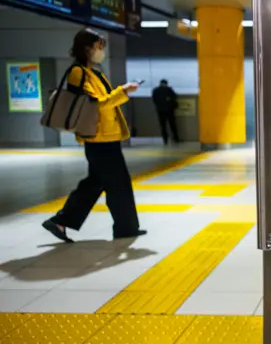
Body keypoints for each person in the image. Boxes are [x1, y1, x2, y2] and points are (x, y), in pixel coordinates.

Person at [42, 28, 145, 243]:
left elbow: (103, 101)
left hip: (106, 136)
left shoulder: (94, 71)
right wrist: (123, 92)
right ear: (86, 48)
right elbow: (97, 105)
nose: (102, 51)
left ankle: (61, 221)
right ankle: (125, 228)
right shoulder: (78, 72)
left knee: (97, 182)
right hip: (97, 137)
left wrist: (121, 92)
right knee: (117, 183)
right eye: (99, 46)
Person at [152, 79, 179, 145]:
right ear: (166, 83)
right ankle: (176, 138)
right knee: (172, 125)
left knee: (163, 126)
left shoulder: (155, 90)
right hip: (169, 110)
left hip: (160, 110)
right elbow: (174, 97)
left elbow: (154, 100)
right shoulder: (169, 90)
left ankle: (165, 139)